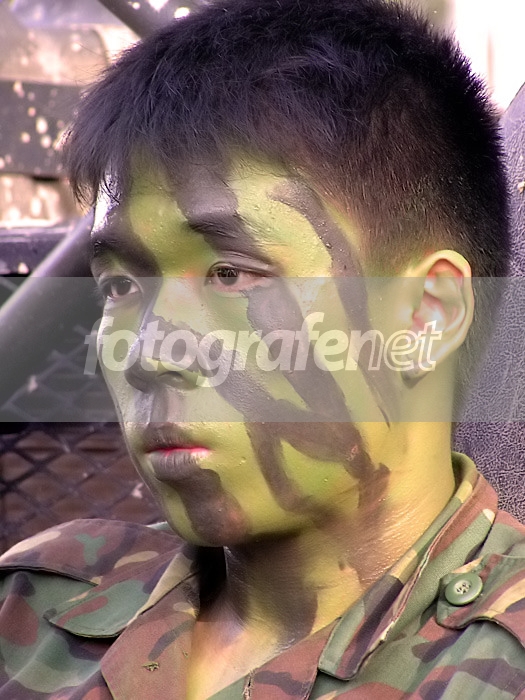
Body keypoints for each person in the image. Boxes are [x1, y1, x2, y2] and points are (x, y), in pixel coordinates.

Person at [0, 0, 522, 697]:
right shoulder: (34, 604)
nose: (149, 352)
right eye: (121, 286)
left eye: (230, 274)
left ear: (425, 314)